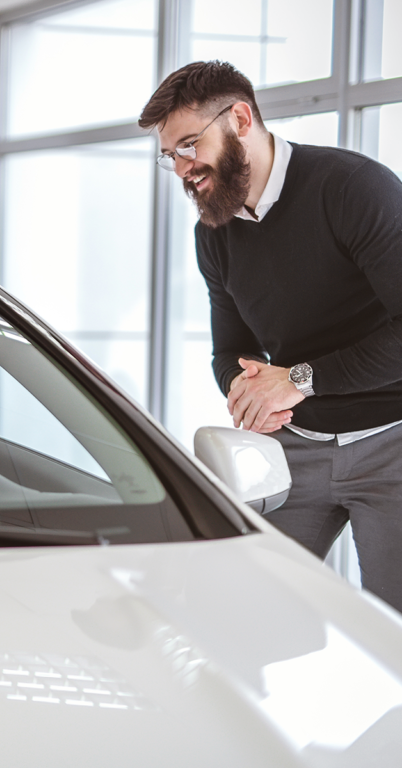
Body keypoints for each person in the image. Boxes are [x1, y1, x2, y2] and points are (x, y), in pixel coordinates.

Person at [139, 60, 402, 611]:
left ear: (240, 118)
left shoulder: (353, 188)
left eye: (190, 144)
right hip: (294, 450)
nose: (184, 168)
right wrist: (249, 388)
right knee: (241, 612)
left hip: (392, 445)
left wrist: (299, 380)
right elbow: (228, 351)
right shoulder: (214, 233)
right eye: (172, 156)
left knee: (392, 631)